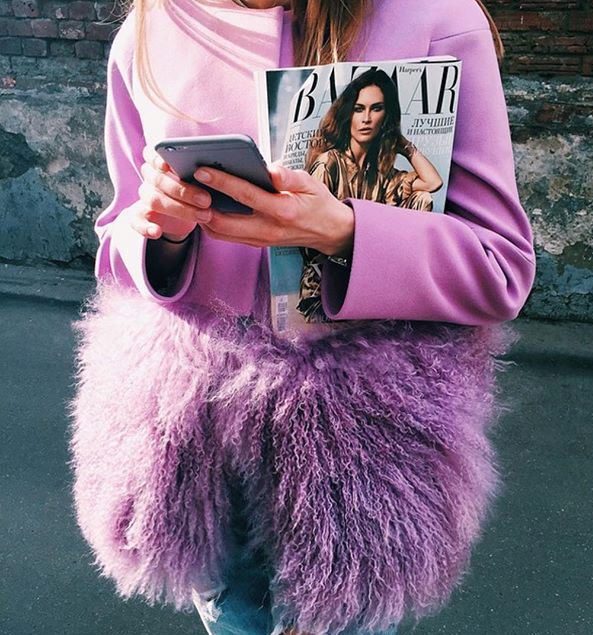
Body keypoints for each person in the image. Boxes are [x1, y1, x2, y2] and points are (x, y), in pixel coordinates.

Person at [69, 1, 536, 634]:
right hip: (194, 454)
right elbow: (116, 243)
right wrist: (160, 229)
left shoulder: (435, 18)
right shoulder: (153, 26)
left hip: (356, 464)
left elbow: (499, 266)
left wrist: (345, 232)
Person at [298, 68, 442, 323]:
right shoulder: (328, 163)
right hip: (328, 287)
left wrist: (403, 144)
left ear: (386, 116)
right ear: (347, 114)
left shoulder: (384, 174)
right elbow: (310, 239)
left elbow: (433, 183)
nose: (366, 118)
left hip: (374, 281)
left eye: (376, 109)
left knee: (422, 198)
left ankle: (397, 288)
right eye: (358, 109)